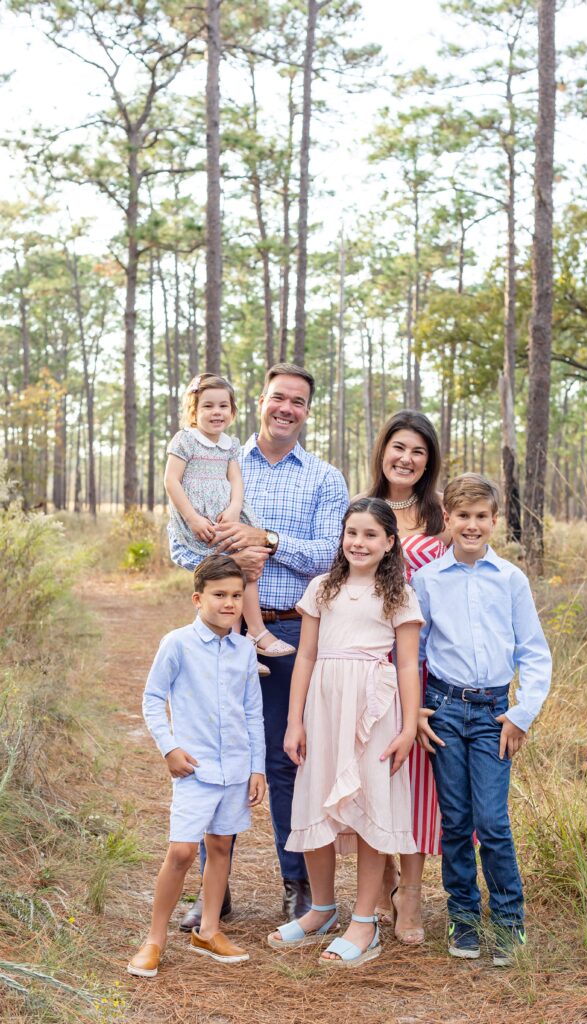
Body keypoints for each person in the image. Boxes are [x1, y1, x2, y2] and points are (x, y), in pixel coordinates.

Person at [179, 363, 349, 931]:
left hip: (296, 633)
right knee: (213, 756)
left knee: (284, 760)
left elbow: (332, 555)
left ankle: (298, 886)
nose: (286, 408)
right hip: (221, 630)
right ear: (259, 401)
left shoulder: (325, 478)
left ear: (307, 410)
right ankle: (212, 893)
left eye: (297, 401)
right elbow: (183, 544)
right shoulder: (218, 459)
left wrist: (267, 541)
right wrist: (229, 560)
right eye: (278, 397)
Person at [267, 498, 423, 967]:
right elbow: (307, 657)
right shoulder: (321, 588)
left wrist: (410, 726)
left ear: (390, 543)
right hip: (324, 703)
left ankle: (364, 922)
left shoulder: (398, 594)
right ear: (342, 536)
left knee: (370, 802)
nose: (359, 542)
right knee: (315, 798)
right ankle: (321, 908)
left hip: (374, 707)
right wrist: (295, 721)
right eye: (352, 532)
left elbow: (409, 664)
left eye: (371, 534)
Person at [413, 474, 552, 966]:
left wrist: (521, 714)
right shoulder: (427, 580)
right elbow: (415, 650)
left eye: (481, 517)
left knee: (492, 822)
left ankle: (510, 922)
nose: (472, 526)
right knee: (455, 822)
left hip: (496, 714)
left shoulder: (510, 579)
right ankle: (464, 917)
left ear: (494, 521)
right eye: (462, 517)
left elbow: (535, 653)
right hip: (446, 711)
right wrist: (416, 708)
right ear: (446, 520)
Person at [127, 555, 266, 978]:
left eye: (237, 596)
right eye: (220, 595)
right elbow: (153, 698)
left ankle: (208, 930)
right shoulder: (177, 644)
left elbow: (253, 712)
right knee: (184, 850)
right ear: (197, 598)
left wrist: (256, 767)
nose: (229, 603)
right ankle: (155, 939)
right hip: (195, 767)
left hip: (235, 769)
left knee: (221, 846)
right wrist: (169, 748)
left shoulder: (244, 649)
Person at [362, 410, 450, 944]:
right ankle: (384, 878)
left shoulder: (442, 515)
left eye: (418, 451)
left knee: (417, 778)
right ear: (383, 450)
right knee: (375, 769)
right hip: (372, 660)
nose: (407, 459)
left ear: (429, 460)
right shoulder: (365, 508)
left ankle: (412, 894)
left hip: (425, 663)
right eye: (398, 447)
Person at [164, 372, 296, 676]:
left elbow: (236, 480)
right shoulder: (185, 440)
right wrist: (193, 518)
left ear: (232, 412)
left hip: (226, 516)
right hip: (200, 519)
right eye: (208, 406)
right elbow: (171, 481)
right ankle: (242, 639)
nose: (216, 412)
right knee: (227, 572)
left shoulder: (230, 445)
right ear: (194, 412)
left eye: (223, 406)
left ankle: (249, 636)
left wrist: (235, 509)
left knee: (249, 563)